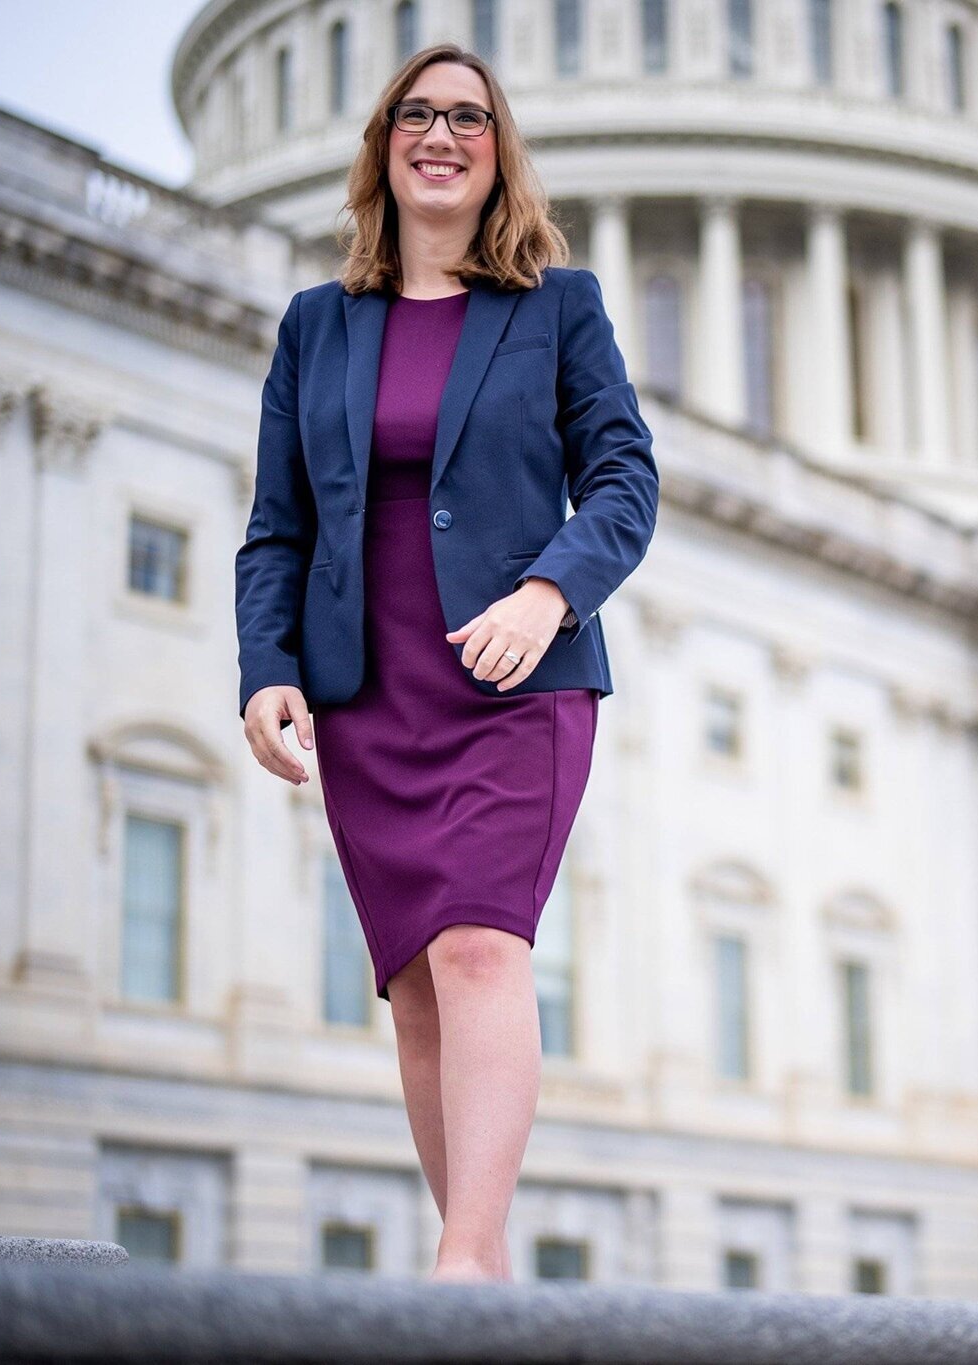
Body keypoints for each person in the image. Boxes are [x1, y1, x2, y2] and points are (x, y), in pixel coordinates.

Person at [234, 42, 658, 1283]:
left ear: (498, 151)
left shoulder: (556, 308)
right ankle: (478, 1250)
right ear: (381, 145)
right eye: (415, 114)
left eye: (468, 117)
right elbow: (279, 523)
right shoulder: (317, 328)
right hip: (371, 693)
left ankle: (463, 1264)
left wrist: (547, 590)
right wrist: (266, 668)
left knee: (482, 948)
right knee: (418, 988)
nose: (440, 134)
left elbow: (625, 480)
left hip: (514, 681)